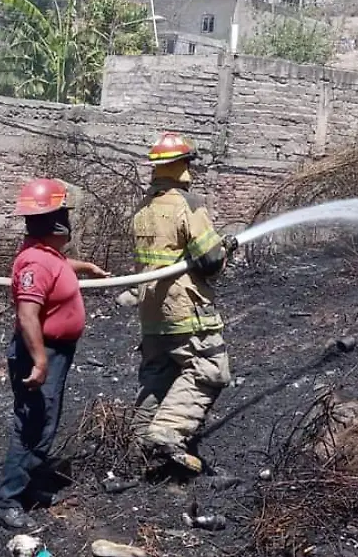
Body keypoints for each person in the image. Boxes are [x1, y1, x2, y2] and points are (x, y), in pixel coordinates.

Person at [0, 178, 110, 529]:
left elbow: (58, 268)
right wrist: (41, 360)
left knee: (44, 421)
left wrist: (85, 267)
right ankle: (7, 501)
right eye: (64, 216)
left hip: (54, 352)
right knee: (33, 426)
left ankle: (27, 486)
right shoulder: (36, 263)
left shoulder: (45, 256)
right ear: (56, 222)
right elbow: (28, 315)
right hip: (41, 354)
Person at [130, 132, 239, 475]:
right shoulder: (188, 205)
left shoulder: (142, 211)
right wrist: (227, 250)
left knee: (159, 376)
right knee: (209, 371)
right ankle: (167, 433)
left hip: (152, 311)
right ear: (181, 166)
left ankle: (138, 443)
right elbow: (209, 262)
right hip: (186, 310)